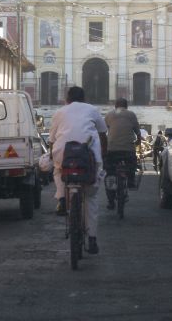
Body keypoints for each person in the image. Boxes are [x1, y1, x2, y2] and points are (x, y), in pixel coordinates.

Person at [49, 86, 107, 255]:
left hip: (64, 154)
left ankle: (61, 198)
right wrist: (103, 154)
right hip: (88, 157)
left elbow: (52, 139)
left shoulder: (60, 112)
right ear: (84, 98)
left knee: (58, 170)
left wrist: (54, 158)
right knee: (91, 197)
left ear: (67, 99)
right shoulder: (92, 109)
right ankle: (92, 239)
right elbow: (103, 133)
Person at [104, 98, 141, 209]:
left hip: (111, 150)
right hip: (128, 150)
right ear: (126, 106)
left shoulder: (109, 115)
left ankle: (111, 201)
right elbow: (137, 131)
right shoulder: (131, 115)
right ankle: (130, 180)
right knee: (132, 164)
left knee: (110, 174)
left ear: (115, 106)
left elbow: (104, 130)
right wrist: (138, 140)